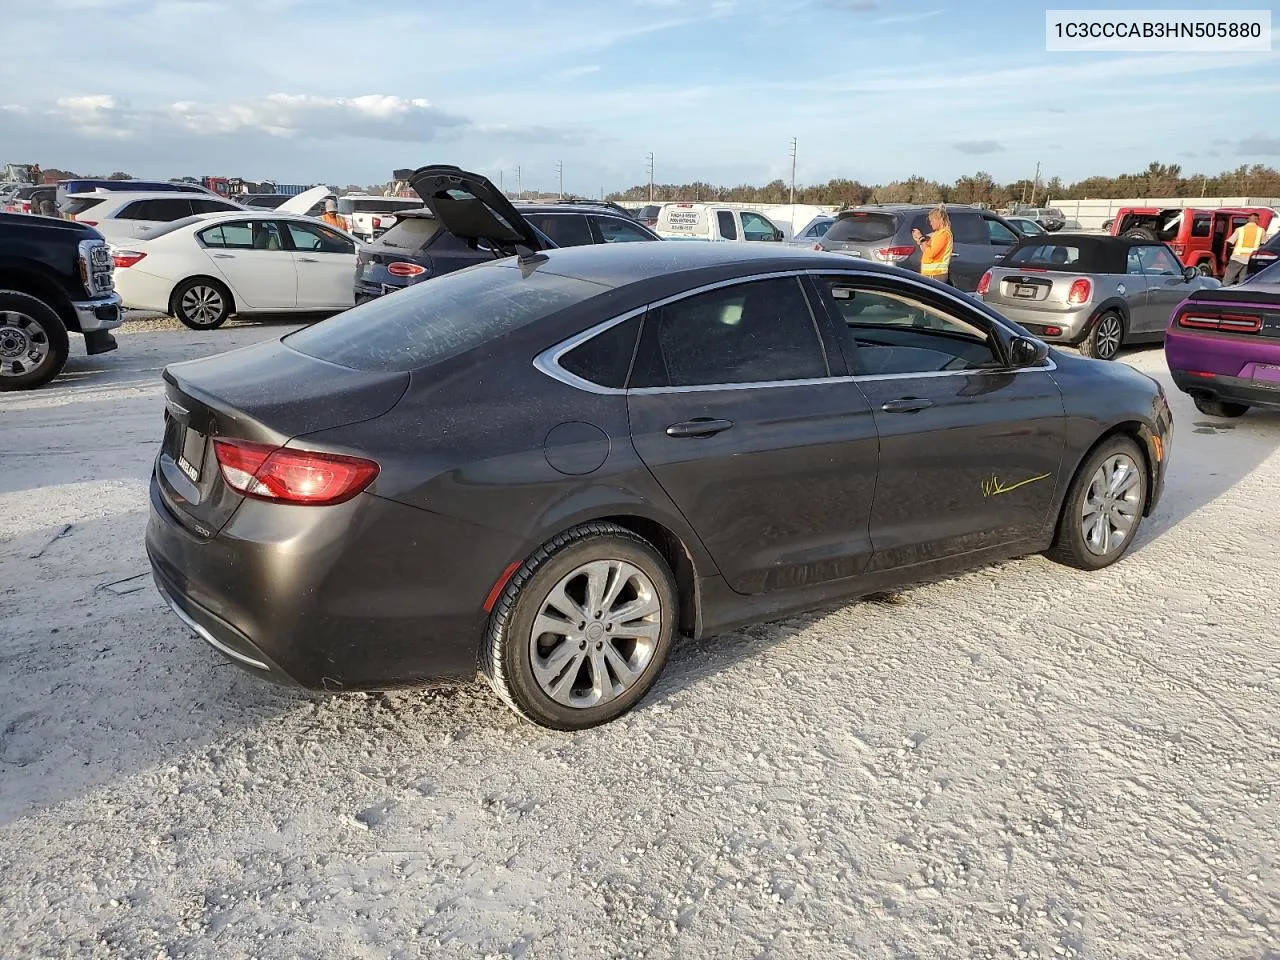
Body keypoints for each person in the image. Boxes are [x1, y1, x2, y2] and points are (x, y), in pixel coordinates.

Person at [912, 205, 953, 284]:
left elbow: (931, 254)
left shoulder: (944, 234)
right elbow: (926, 251)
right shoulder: (937, 234)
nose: (930, 223)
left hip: (936, 274)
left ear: (939, 220)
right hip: (931, 274)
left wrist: (921, 237)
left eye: (932, 220)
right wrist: (919, 240)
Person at [1223, 213, 1265, 285]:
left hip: (1237, 258)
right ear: (1257, 220)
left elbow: (1230, 242)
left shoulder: (1240, 230)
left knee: (1227, 280)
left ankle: (1221, 293)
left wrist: (1226, 255)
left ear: (1248, 220)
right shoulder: (1261, 231)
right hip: (1251, 259)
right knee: (1243, 281)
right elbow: (1264, 244)